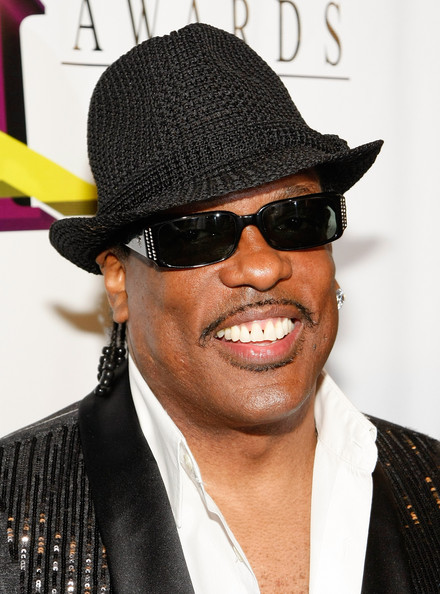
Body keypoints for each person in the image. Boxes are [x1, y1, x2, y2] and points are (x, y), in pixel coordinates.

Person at [0, 23, 438, 594]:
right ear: (118, 280)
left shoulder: (430, 484)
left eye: (296, 219)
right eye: (198, 234)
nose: (262, 267)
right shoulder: (12, 515)